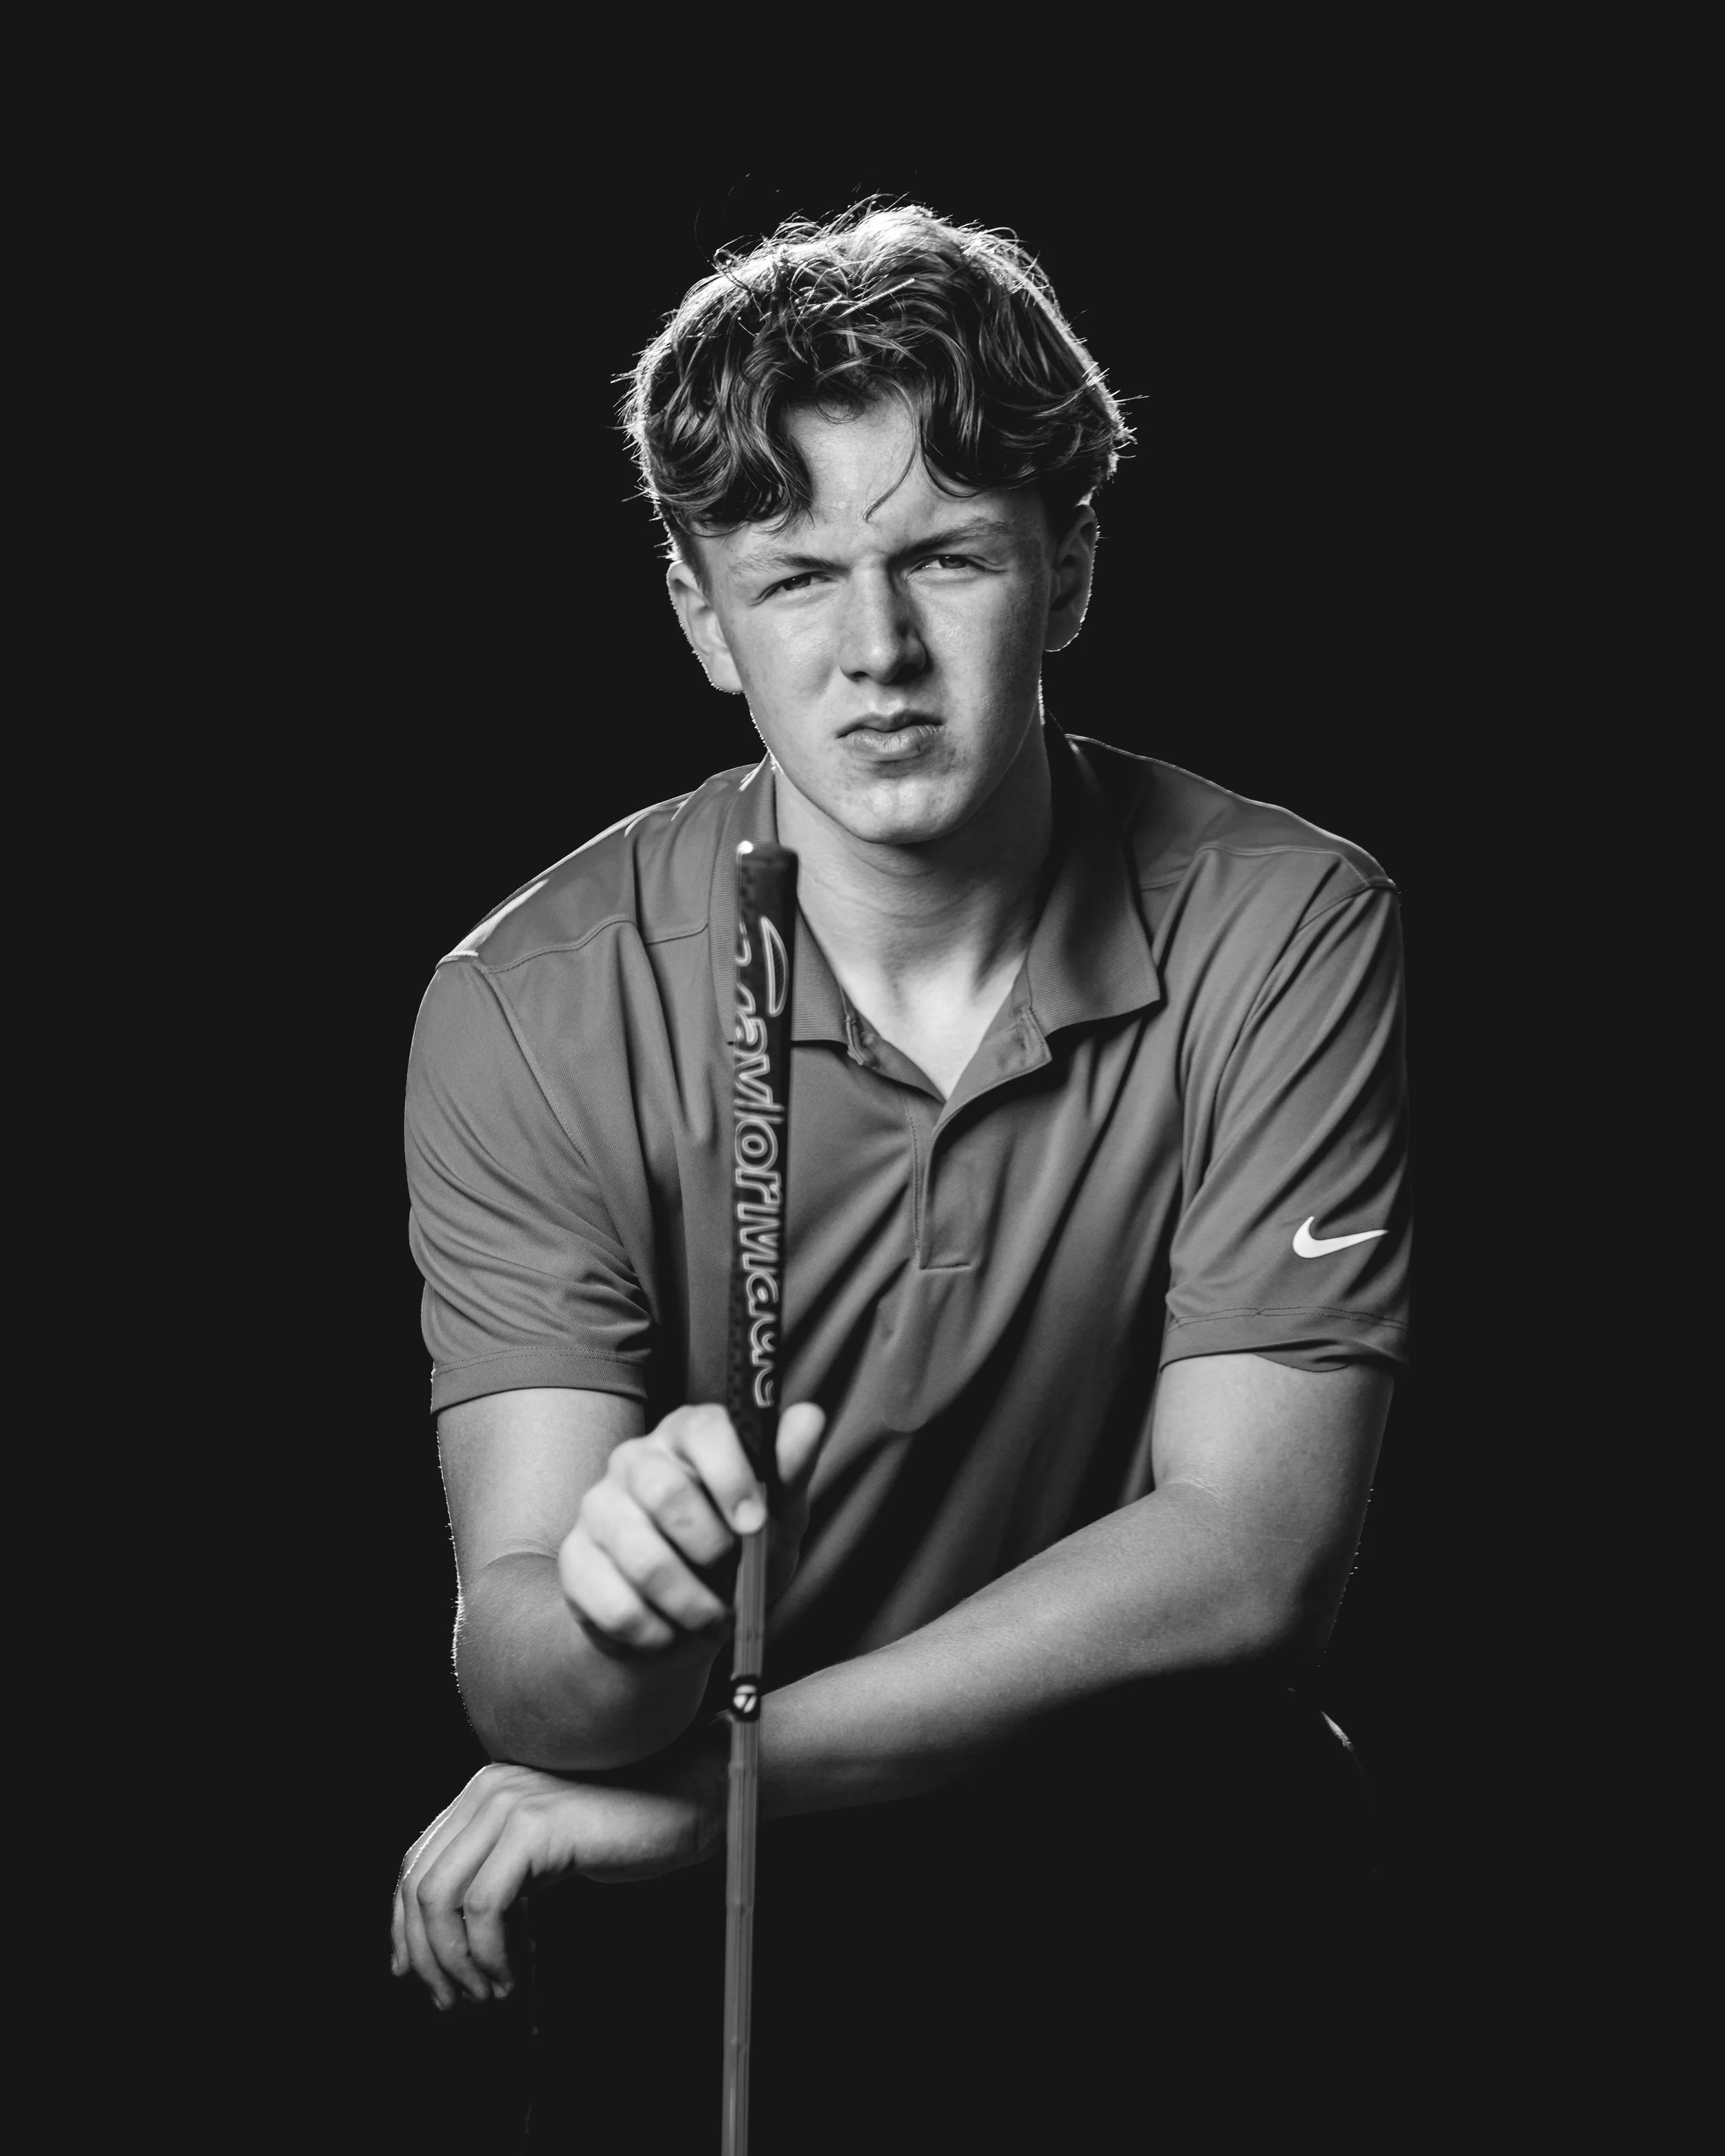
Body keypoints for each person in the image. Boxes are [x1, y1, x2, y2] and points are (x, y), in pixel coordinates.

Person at [390, 203, 1411, 2148]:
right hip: (733, 1961)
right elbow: (526, 1688)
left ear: (1068, 566)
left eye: (944, 555)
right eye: (793, 579)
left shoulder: (1286, 920)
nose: (875, 653)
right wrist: (618, 1613)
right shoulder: (522, 1004)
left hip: (1164, 1887)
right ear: (702, 618)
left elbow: (1250, 1563)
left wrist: (718, 1786)